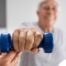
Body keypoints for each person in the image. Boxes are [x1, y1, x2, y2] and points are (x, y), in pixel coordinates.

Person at [0, 0, 66, 66]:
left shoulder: (61, 33)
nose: (50, 11)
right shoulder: (27, 26)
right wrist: (25, 35)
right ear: (38, 12)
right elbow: (22, 31)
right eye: (46, 8)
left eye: (54, 8)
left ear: (57, 14)